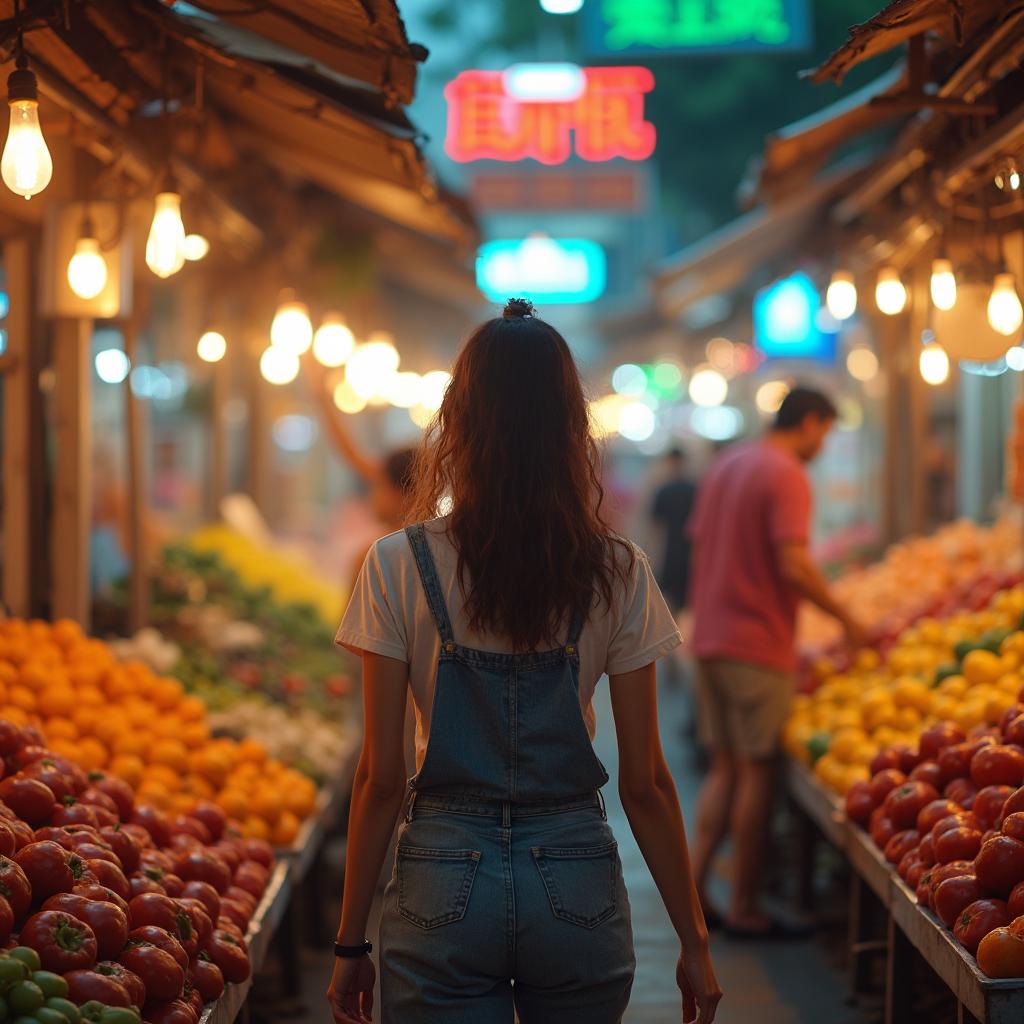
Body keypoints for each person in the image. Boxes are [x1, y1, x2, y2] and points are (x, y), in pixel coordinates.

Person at [328, 298, 721, 1024]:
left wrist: (351, 944)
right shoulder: (617, 569)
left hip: (441, 875)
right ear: (571, 425)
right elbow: (648, 783)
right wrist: (695, 941)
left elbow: (380, 779)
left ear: (460, 419)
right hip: (575, 875)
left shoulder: (395, 563)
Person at [689, 386, 867, 939]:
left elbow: (702, 541)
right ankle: (744, 905)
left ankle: (693, 894)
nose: (824, 443)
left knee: (725, 768)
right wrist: (846, 617)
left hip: (710, 635)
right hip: (757, 644)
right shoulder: (785, 472)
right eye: (826, 431)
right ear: (811, 423)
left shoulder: (729, 462)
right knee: (757, 772)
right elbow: (793, 563)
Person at [650, 447, 697, 614]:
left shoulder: (664, 490)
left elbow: (656, 527)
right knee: (687, 604)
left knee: (667, 603)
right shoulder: (694, 488)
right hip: (689, 554)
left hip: (669, 553)